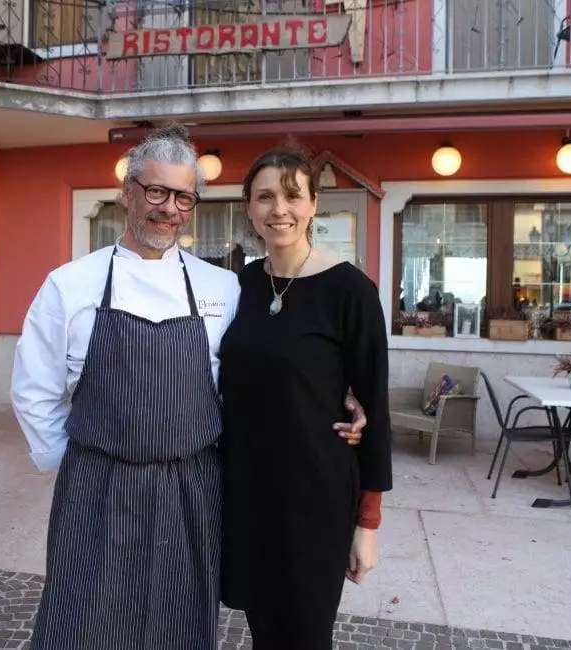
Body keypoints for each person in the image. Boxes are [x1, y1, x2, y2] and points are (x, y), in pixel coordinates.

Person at [11, 124, 366, 650]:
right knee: (84, 619)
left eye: (183, 197)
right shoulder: (71, 283)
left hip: (190, 488)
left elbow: (265, 364)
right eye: (156, 191)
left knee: (177, 623)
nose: (168, 208)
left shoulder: (222, 285)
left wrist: (342, 393)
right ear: (127, 193)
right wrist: (75, 464)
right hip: (98, 486)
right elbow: (34, 388)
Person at [218, 144, 394, 649]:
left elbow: (374, 411)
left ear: (314, 203)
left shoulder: (350, 291)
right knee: (264, 631)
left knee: (306, 635)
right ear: (249, 207)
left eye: (293, 196)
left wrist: (368, 523)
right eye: (265, 196)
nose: (280, 209)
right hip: (248, 491)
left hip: (316, 495)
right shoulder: (241, 285)